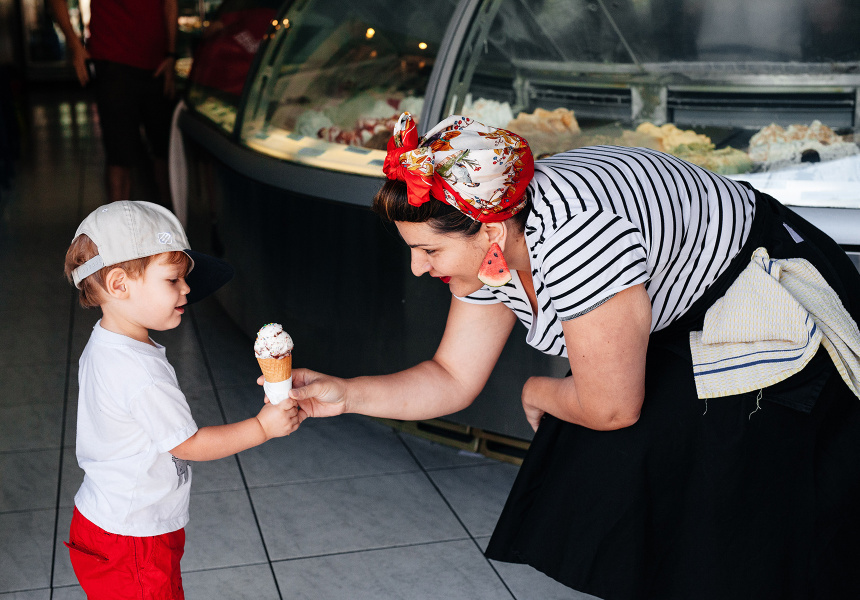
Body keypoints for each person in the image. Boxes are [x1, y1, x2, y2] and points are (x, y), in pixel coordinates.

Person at [278, 112, 860, 599]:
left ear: (491, 233)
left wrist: (536, 390)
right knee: (613, 473)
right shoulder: (493, 238)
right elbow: (452, 376)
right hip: (673, 307)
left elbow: (611, 408)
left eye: (429, 250)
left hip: (759, 299)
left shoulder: (578, 239)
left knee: (739, 517)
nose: (417, 268)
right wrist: (346, 394)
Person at [63, 201, 300, 599]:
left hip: (106, 520)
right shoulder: (140, 373)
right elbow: (188, 444)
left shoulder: (106, 344)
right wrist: (262, 427)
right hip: (134, 537)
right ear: (119, 285)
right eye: (173, 279)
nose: (187, 288)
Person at [49, 0, 178, 206]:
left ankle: (169, 221)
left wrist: (171, 55)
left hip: (158, 65)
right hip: (113, 63)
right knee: (119, 156)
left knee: (165, 151)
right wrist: (75, 45)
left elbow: (170, 3)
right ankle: (117, 225)